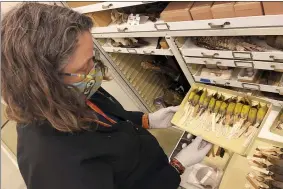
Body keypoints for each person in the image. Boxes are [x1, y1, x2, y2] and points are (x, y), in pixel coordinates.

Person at [1, 3, 212, 189]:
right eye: (85, 66)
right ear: (45, 83)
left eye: (93, 58)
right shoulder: (56, 166)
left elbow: (106, 118)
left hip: (152, 168)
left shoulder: (73, 88)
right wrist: (177, 166)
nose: (95, 71)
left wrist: (147, 120)